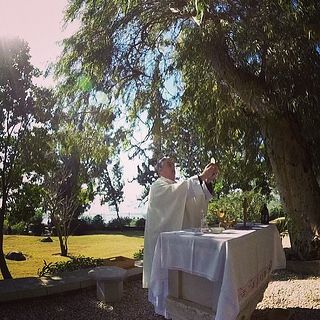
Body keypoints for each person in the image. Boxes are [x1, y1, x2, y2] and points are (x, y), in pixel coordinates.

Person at [143, 157, 219, 288]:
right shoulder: (157, 186)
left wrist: (207, 182)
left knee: (176, 283)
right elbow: (179, 190)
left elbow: (197, 202)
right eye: (169, 164)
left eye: (173, 164)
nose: (173, 167)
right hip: (160, 243)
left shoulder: (177, 187)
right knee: (163, 282)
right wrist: (201, 177)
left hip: (175, 243)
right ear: (160, 170)